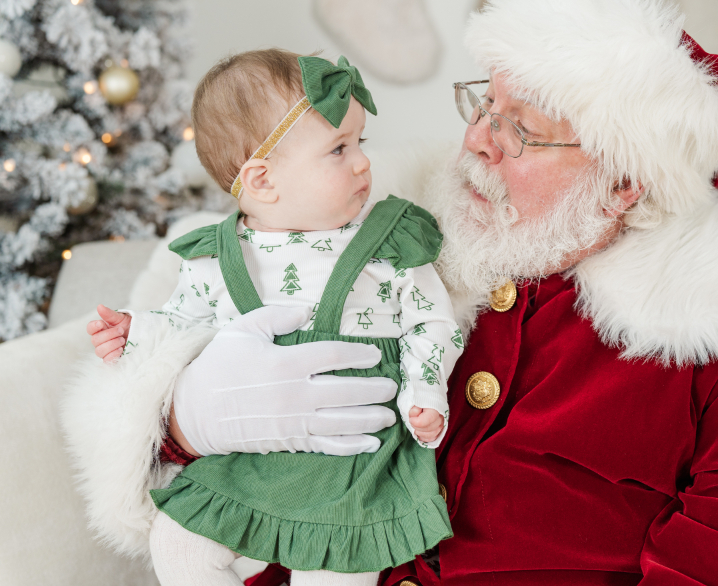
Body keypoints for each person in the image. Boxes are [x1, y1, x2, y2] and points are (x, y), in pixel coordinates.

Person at [64, 0, 718, 585]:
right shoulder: (377, 226)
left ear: (621, 185)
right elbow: (212, 281)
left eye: (522, 130)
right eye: (485, 105)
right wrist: (180, 418)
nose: (478, 138)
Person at [83, 50, 461, 585]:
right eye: (338, 149)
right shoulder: (216, 257)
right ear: (261, 181)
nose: (363, 163)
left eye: (360, 143)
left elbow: (432, 321)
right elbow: (184, 323)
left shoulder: (388, 241)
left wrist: (425, 391)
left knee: (333, 570)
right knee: (176, 539)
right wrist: (138, 332)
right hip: (250, 458)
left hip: (353, 463)